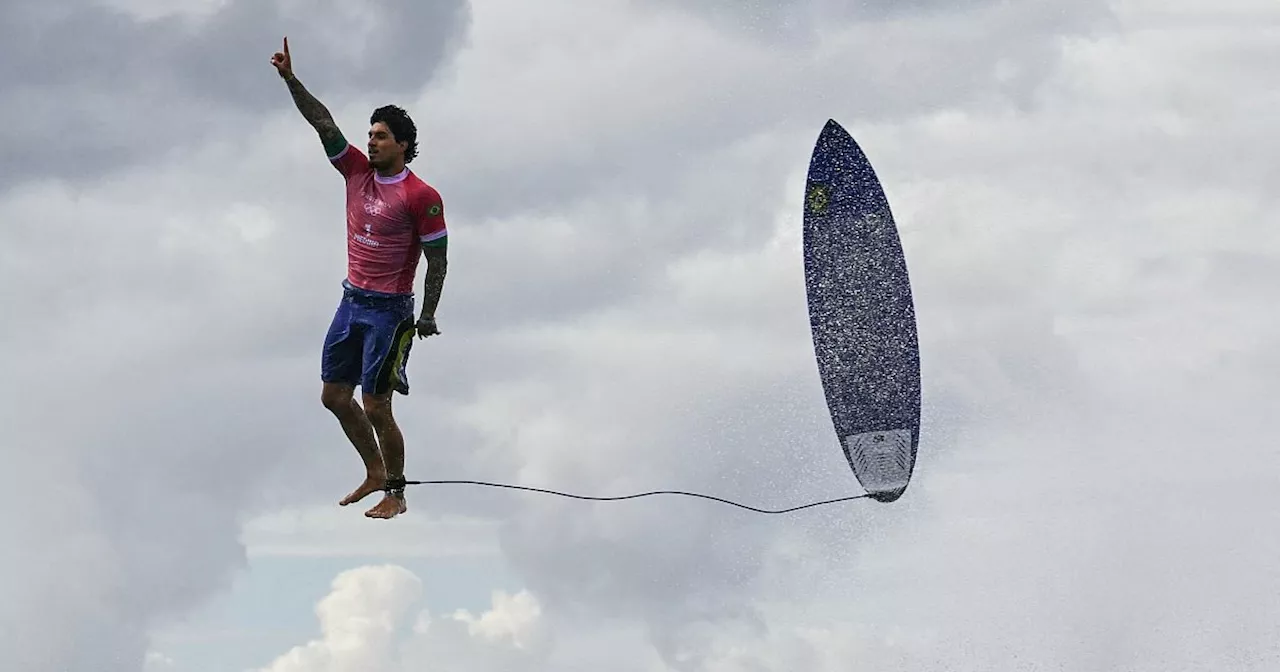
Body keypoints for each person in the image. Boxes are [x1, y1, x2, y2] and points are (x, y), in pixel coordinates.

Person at [270, 37, 449, 520]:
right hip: (351, 301)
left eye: (381, 136)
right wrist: (290, 79)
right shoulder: (355, 171)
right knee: (333, 396)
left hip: (390, 312)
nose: (371, 141)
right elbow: (322, 121)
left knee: (376, 405)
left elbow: (438, 259)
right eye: (370, 134)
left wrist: (428, 313)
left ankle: (396, 491)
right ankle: (373, 470)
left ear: (403, 145)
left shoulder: (421, 195)